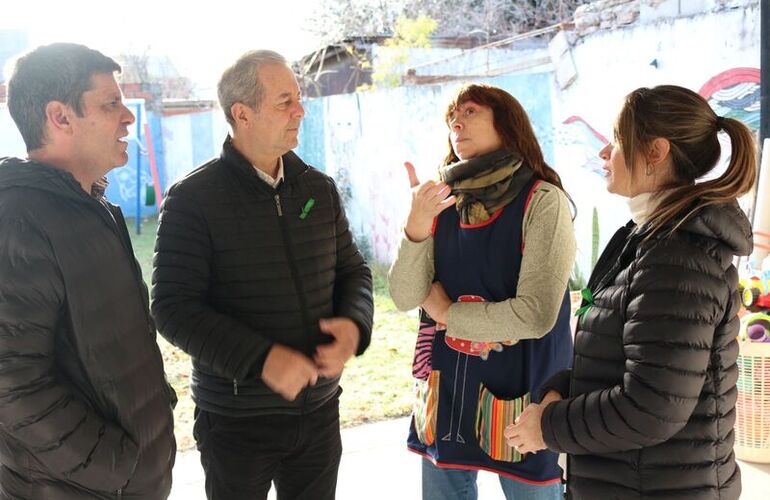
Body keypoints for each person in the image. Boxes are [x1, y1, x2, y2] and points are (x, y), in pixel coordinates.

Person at [505, 85, 757, 500]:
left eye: (617, 140)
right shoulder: (645, 239)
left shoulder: (678, 257)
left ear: (656, 152)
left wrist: (549, 426)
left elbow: (653, 407)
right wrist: (562, 389)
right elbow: (631, 361)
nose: (606, 153)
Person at [151, 49, 374, 500]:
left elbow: (353, 271)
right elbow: (173, 309)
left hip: (319, 412)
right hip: (236, 421)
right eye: (283, 101)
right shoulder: (192, 199)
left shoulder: (318, 188)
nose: (300, 110)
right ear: (242, 113)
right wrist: (263, 360)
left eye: (298, 98)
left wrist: (354, 323)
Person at [0, 43, 176, 500]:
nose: (128, 117)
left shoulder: (95, 207)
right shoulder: (16, 218)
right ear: (60, 117)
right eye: (110, 104)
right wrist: (118, 467)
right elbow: (10, 382)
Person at [388, 83, 576, 500]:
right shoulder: (441, 202)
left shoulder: (543, 201)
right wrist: (416, 225)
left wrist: (446, 313)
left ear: (507, 124)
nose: (456, 122)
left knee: (533, 491)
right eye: (452, 117)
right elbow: (403, 296)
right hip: (447, 387)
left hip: (526, 388)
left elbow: (536, 313)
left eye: (470, 111)